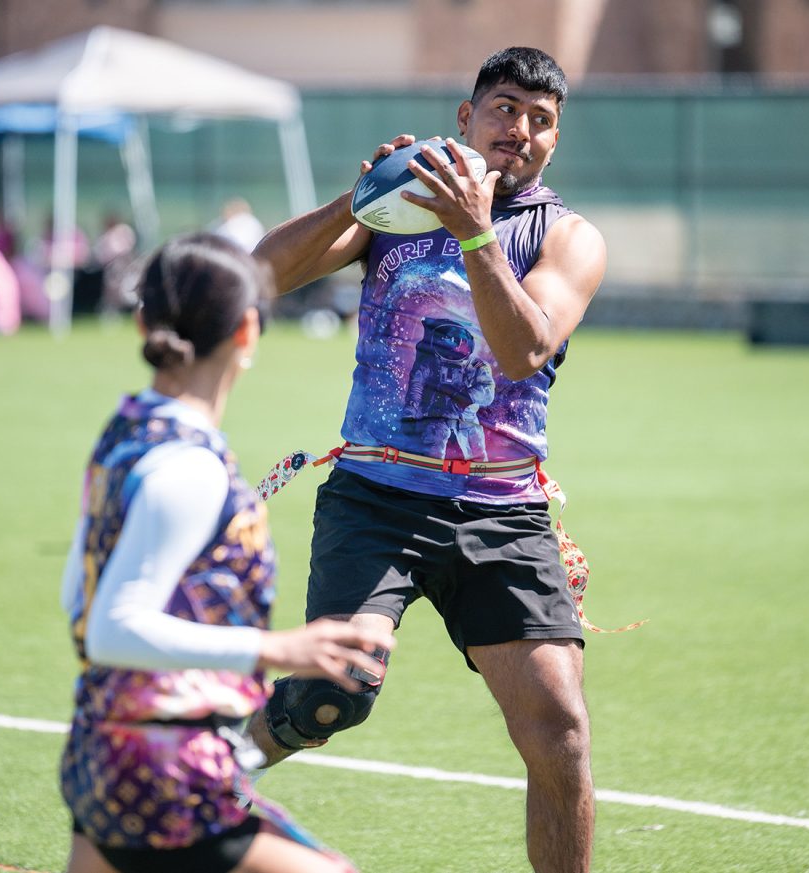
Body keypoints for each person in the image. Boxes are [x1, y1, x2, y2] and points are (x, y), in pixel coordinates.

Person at [243, 47, 606, 873]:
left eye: (542, 120)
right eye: (505, 109)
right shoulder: (395, 217)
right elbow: (261, 272)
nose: (521, 130)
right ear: (466, 119)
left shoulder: (569, 238)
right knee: (333, 693)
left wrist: (473, 229)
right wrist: (367, 194)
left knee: (561, 731)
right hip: (378, 497)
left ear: (556, 141)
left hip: (504, 511)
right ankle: (202, 771)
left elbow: (523, 351)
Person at [58, 233, 394, 873]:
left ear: (143, 322)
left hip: (102, 751)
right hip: (164, 774)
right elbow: (113, 626)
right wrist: (276, 650)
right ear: (247, 331)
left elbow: (79, 594)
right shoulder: (190, 467)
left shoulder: (127, 430)